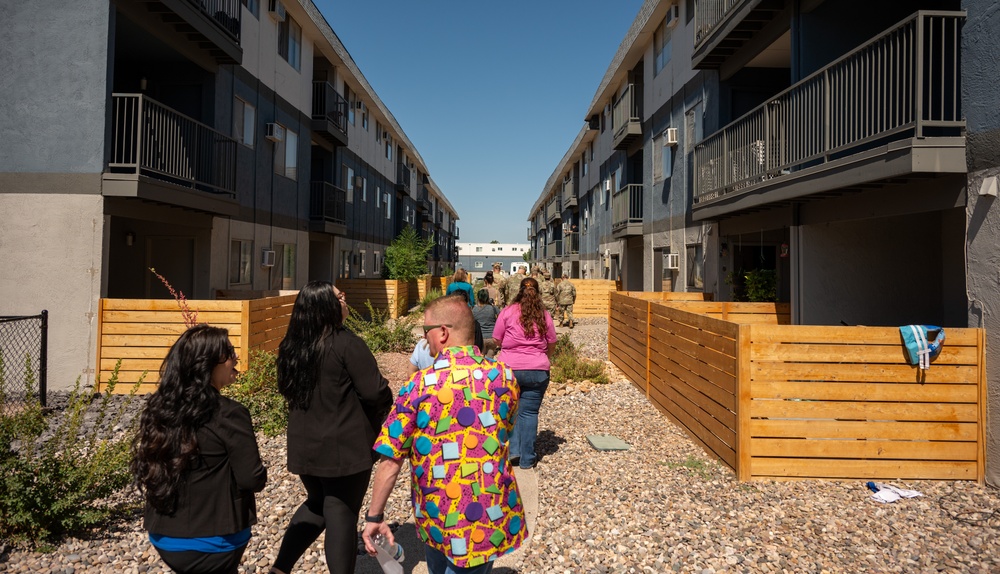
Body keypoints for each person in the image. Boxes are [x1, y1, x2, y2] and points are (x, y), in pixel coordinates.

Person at [361, 295, 527, 573]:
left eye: (425, 331)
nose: (425, 339)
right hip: (489, 510)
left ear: (443, 332)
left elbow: (391, 457)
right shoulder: (505, 377)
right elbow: (504, 431)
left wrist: (374, 516)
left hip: (438, 511)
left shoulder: (417, 385)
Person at [270, 281, 393, 574]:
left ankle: (280, 568)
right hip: (344, 450)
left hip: (305, 448)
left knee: (317, 504)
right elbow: (375, 392)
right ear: (326, 306)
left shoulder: (291, 346)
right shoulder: (345, 343)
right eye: (339, 296)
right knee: (341, 513)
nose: (345, 298)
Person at [131, 324, 267, 574]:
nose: (236, 357)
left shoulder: (160, 408)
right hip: (216, 541)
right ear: (208, 364)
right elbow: (252, 479)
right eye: (229, 352)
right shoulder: (230, 413)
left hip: (163, 537)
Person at [492, 277, 556, 470]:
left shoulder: (508, 312)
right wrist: (544, 355)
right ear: (538, 293)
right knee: (529, 413)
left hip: (509, 369)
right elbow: (552, 341)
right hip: (537, 369)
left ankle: (514, 452)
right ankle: (528, 458)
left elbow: (496, 338)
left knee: (511, 411)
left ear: (519, 291)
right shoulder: (544, 314)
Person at [472, 288, 500, 359]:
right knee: (490, 359)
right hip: (492, 337)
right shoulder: (493, 308)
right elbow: (501, 320)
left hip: (480, 338)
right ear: (488, 298)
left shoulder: (474, 310)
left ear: (478, 298)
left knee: (480, 359)